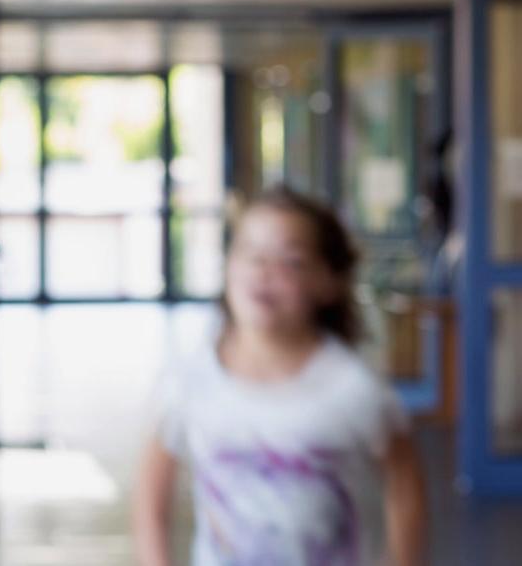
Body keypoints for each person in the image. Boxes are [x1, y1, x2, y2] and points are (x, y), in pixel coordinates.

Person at [132, 188, 426, 566]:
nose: (263, 272)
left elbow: (406, 487)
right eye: (250, 254)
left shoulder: (355, 391)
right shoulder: (190, 381)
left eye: (290, 261)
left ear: (328, 282)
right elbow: (152, 493)